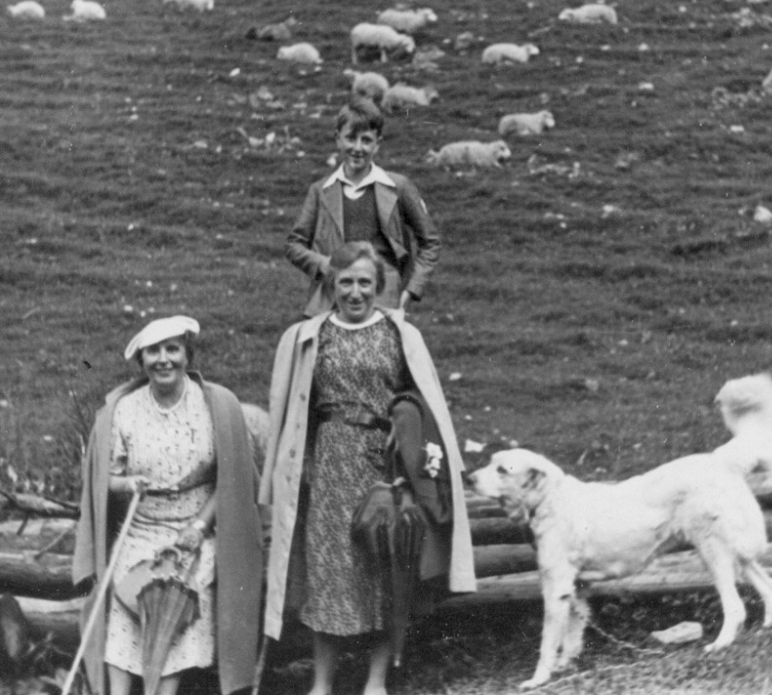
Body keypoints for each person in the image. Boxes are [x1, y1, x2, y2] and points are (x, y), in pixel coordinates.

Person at [260, 242, 476, 695]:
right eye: (345, 283)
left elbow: (421, 397)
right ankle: (322, 682)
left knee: (384, 564)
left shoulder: (400, 334)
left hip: (385, 464)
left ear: (378, 287)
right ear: (330, 285)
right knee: (328, 570)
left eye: (364, 283)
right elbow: (294, 410)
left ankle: (375, 681)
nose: (355, 292)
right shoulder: (306, 337)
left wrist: (406, 421)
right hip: (329, 463)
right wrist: (297, 467)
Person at [72, 316, 264, 695]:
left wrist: (198, 528)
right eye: (153, 351)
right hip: (140, 526)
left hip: (194, 529)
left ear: (187, 355)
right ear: (141, 360)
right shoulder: (123, 409)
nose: (163, 360)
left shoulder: (217, 405)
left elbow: (231, 481)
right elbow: (100, 481)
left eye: (172, 349)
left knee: (177, 597)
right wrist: (128, 483)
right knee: (129, 594)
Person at [285, 96, 441, 317]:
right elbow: (294, 244)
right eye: (350, 138)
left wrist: (409, 292)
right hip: (333, 299)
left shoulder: (398, 187)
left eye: (366, 140)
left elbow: (430, 242)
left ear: (377, 144)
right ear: (338, 139)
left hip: (384, 301)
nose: (358, 148)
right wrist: (325, 265)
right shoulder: (320, 191)